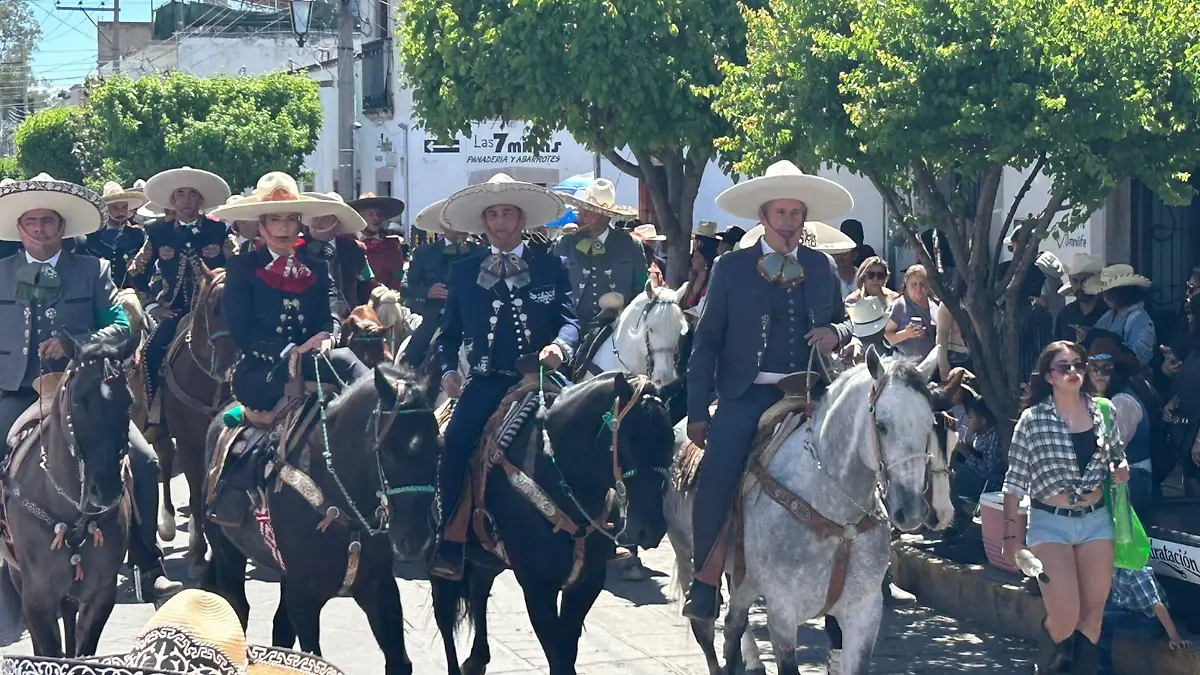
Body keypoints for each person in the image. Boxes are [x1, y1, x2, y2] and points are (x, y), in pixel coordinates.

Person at [683, 160, 854, 620]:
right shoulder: (730, 267)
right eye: (780, 212)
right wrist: (696, 410)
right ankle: (705, 580)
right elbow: (706, 342)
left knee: (862, 458)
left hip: (813, 393)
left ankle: (867, 567)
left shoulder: (821, 266)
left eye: (796, 213)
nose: (789, 222)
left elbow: (845, 322)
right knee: (718, 473)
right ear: (762, 216)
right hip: (749, 395)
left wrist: (836, 333)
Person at [0, 174, 182, 600]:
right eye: (32, 221)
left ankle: (147, 564)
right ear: (19, 228)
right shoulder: (1, 272)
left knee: (144, 461)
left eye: (48, 220)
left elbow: (123, 326)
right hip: (17, 390)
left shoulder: (92, 270)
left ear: (62, 226)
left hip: (82, 391)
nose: (40, 229)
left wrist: (77, 344)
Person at [427, 174, 578, 581]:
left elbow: (569, 321)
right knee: (455, 443)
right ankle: (451, 538)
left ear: (521, 219)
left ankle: (602, 526)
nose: (499, 222)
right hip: (488, 381)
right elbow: (448, 334)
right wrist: (448, 371)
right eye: (492, 214)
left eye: (507, 213)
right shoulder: (463, 271)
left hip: (543, 378)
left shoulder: (551, 265)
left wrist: (560, 347)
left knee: (593, 429)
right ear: (483, 222)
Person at [1001, 341, 1129, 675]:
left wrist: (1120, 467)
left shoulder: (1103, 410)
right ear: (1049, 376)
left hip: (1096, 520)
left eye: (1079, 364)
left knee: (1092, 619)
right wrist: (1011, 539)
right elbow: (1014, 483)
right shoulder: (1032, 420)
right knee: (1064, 617)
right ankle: (1044, 667)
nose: (1073, 371)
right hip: (1050, 522)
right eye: (1064, 366)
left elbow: (1116, 453)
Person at [209, 173, 370, 427]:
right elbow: (243, 330)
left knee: (351, 362)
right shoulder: (242, 267)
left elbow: (331, 312)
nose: (284, 228)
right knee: (345, 359)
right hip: (263, 370)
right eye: (275, 219)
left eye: (291, 219)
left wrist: (328, 337)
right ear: (262, 226)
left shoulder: (317, 267)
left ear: (299, 225)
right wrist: (291, 351)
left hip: (314, 362)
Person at [134, 166, 232, 402]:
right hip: (174, 311)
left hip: (215, 311)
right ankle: (153, 409)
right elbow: (135, 272)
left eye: (192, 194)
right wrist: (152, 307)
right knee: (150, 353)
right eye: (180, 194)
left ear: (200, 200)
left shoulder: (219, 230)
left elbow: (239, 267)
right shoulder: (158, 233)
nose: (186, 200)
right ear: (172, 200)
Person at [555, 179, 648, 329]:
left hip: (617, 328)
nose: (582, 216)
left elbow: (641, 290)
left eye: (590, 211)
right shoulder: (565, 244)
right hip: (574, 327)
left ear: (607, 216)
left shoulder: (630, 245)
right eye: (583, 210)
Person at [400, 198, 481, 367]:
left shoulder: (481, 252)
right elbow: (405, 287)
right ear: (444, 224)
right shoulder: (423, 253)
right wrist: (427, 292)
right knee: (408, 362)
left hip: (474, 319)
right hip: (435, 320)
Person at [1083, 331, 1157, 513]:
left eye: (1106, 368)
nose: (1099, 374)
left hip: (1132, 479)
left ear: (1117, 370)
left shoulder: (1122, 402)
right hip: (1110, 477)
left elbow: (1109, 451)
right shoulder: (1097, 401)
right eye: (1093, 368)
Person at [1099, 565, 1190, 675]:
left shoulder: (1136, 572)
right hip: (1129, 610)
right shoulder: (1116, 566)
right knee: (1094, 614)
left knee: (1101, 622)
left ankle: (1104, 668)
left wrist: (1175, 637)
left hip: (1148, 621)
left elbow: (1156, 605)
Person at [298, 192, 373, 318]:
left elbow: (366, 281)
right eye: (315, 217)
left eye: (325, 218)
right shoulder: (296, 248)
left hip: (347, 318)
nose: (318, 222)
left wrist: (359, 313)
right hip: (307, 318)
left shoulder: (354, 248)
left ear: (338, 224)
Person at [948, 377, 1004, 531]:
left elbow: (991, 474)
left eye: (971, 418)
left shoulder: (994, 438)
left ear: (983, 420)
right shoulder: (980, 435)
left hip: (988, 484)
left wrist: (967, 454)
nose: (967, 422)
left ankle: (960, 520)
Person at [77, 181, 150, 290]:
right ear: (105, 209)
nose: (121, 212)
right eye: (115, 207)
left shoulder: (138, 235)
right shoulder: (90, 237)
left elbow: (148, 267)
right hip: (99, 293)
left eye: (124, 207)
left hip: (132, 292)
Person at [1092, 265, 1156, 368]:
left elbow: (1142, 358)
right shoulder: (1108, 315)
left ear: (1125, 291)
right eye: (1104, 292)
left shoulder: (1140, 319)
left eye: (1111, 292)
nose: (1106, 297)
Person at [349, 193, 406, 292]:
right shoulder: (348, 243)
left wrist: (390, 292)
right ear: (360, 216)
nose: (376, 218)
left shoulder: (392, 245)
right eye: (370, 214)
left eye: (379, 214)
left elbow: (398, 272)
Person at [884, 264, 939, 360]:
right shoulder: (899, 305)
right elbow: (887, 336)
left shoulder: (935, 306)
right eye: (914, 284)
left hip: (930, 363)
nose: (918, 288)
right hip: (904, 363)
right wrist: (906, 334)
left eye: (922, 284)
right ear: (906, 285)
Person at [1054, 253, 1106, 343]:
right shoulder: (1065, 314)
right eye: (1075, 281)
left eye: (1084, 281)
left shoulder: (1108, 313)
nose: (1079, 286)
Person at [630, 223, 667, 288]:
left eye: (653, 242)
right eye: (651, 242)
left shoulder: (659, 263)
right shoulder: (632, 260)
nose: (654, 244)